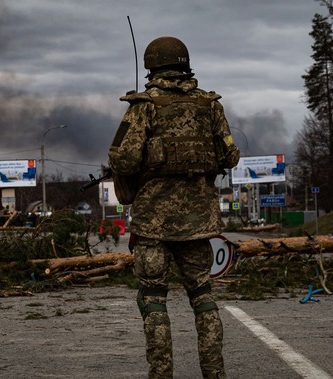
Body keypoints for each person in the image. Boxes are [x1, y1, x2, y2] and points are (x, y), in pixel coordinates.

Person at [108, 36, 240, 379]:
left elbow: (122, 158)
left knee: (152, 298)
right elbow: (230, 155)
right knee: (203, 297)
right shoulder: (210, 106)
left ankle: (161, 374)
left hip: (153, 222)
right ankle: (215, 374)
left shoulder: (144, 105)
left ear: (151, 66)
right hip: (199, 222)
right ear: (185, 64)